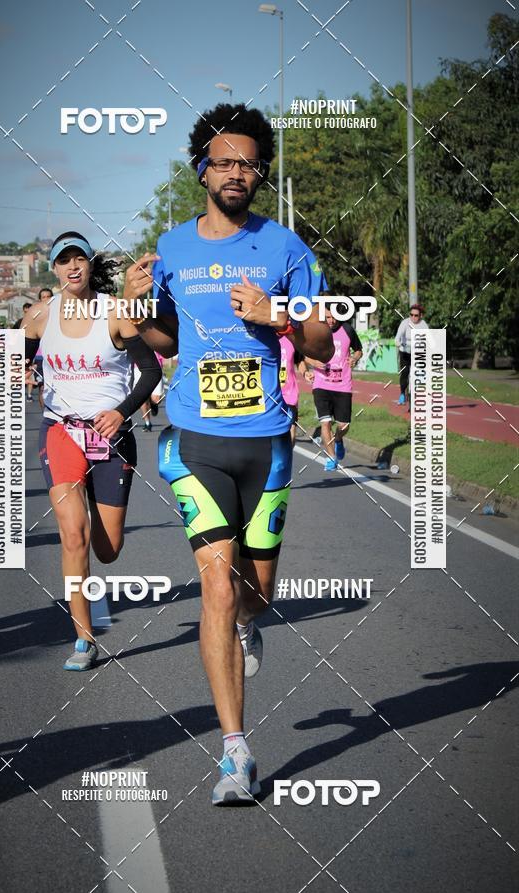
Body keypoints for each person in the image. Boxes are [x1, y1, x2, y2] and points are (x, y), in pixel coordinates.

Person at [125, 103, 334, 805]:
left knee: (256, 594)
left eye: (248, 162)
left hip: (267, 446)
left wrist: (276, 315)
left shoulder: (286, 249)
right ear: (202, 171)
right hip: (195, 440)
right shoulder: (172, 247)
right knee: (216, 586)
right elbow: (160, 339)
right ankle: (235, 755)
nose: (237, 172)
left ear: (260, 173)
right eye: (224, 161)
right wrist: (131, 312)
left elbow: (322, 344)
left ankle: (251, 623)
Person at [22, 232, 161, 671]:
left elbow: (151, 370)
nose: (72, 266)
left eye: (78, 257)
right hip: (61, 431)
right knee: (73, 533)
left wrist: (121, 413)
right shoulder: (40, 316)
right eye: (63, 261)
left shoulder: (115, 312)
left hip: (111, 437)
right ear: (55, 269)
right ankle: (83, 640)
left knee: (107, 548)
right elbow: (11, 358)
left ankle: (99, 568)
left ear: (88, 263)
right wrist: (12, 371)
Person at [305, 310, 363, 470]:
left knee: (344, 425)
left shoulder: (347, 330)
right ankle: (331, 457)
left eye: (333, 317)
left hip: (343, 384)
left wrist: (354, 358)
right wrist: (314, 363)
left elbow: (358, 350)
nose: (330, 321)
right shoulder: (317, 330)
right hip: (321, 383)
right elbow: (304, 354)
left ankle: (338, 439)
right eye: (327, 317)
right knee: (325, 422)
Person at [395, 304, 428, 405]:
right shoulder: (405, 323)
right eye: (411, 315)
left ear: (420, 316)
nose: (413, 317)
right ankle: (402, 394)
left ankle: (418, 394)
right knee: (404, 373)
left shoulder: (423, 325)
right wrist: (398, 343)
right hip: (404, 351)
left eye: (416, 315)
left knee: (419, 374)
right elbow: (397, 337)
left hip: (417, 352)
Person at [278, 335, 308, 445]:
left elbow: (299, 361)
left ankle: (286, 460)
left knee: (291, 432)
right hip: (270, 394)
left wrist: (305, 373)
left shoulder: (291, 339)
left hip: (289, 393)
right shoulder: (264, 338)